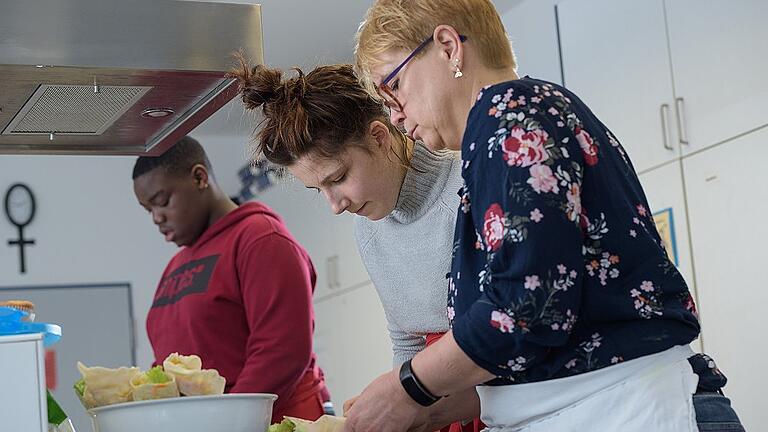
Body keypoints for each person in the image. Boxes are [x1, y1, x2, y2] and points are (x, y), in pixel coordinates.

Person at [343, 0, 745, 431]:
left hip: (634, 409)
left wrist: (407, 386)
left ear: (447, 47)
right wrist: (432, 409)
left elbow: (526, 307)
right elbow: (550, 340)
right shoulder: (513, 121)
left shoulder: (510, 114)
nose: (396, 114)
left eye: (395, 85)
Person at [230, 61, 481, 431]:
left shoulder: (470, 185)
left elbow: (508, 338)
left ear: (379, 137)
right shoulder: (369, 231)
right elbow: (406, 342)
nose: (336, 205)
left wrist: (409, 399)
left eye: (339, 178)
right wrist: (395, 404)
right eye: (320, 191)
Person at [132, 136, 330, 423]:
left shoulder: (261, 239)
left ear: (199, 178)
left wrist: (223, 421)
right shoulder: (176, 265)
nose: (156, 218)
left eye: (161, 202)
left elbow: (282, 353)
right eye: (148, 210)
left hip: (273, 422)